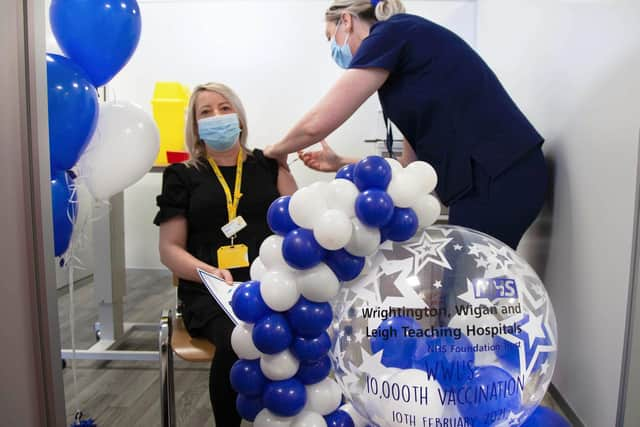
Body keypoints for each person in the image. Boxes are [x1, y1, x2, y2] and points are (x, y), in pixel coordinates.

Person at [265, 0, 547, 249]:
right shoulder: (402, 67)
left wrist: (276, 150)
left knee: (467, 292)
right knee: (472, 292)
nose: (335, 50)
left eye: (331, 38)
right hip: (493, 177)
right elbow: (406, 167)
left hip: (497, 172)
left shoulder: (391, 33)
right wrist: (340, 162)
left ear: (346, 21)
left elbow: (319, 123)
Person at [154, 82, 296, 426]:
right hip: (213, 292)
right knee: (239, 342)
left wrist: (286, 166)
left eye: (224, 108)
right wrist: (208, 272)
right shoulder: (182, 175)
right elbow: (169, 248)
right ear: (196, 126)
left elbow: (297, 224)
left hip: (270, 285)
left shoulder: (267, 164)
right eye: (206, 112)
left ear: (240, 118)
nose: (217, 116)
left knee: (299, 339)